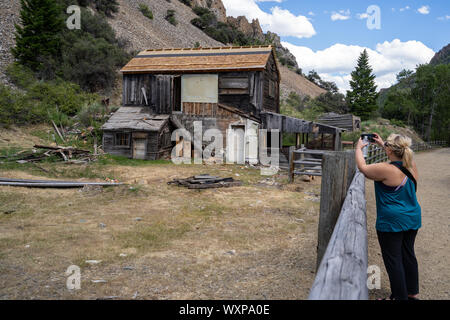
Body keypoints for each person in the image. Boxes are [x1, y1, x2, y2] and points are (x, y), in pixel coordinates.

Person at [355, 133, 421, 300]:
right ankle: (411, 292)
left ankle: (399, 297)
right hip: (412, 217)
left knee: (393, 260)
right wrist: (382, 143)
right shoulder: (410, 164)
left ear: (390, 149)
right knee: (408, 254)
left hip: (392, 222)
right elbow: (397, 155)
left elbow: (363, 168)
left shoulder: (385, 169)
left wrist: (358, 148)